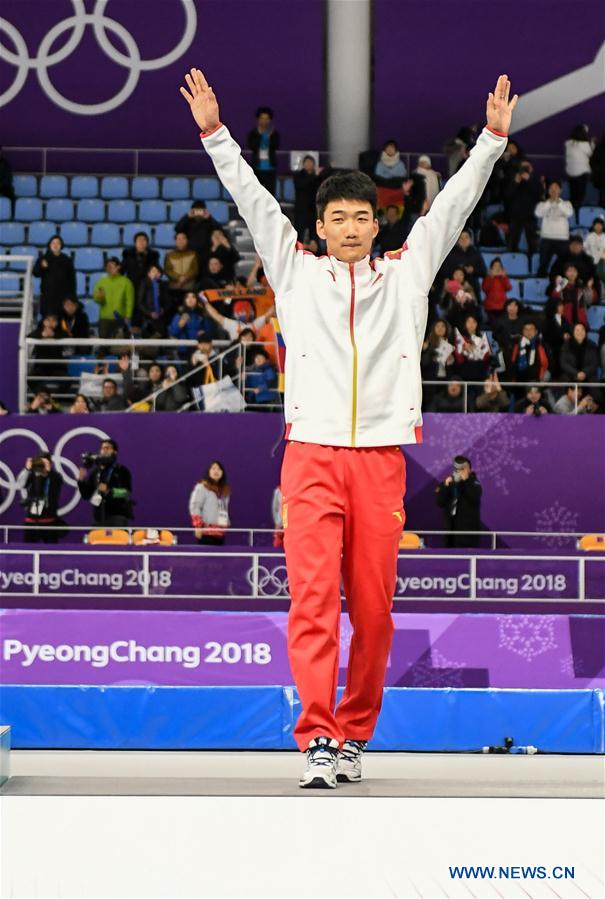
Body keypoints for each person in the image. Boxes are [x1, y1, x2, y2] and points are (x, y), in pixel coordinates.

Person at [181, 66, 517, 788]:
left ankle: (353, 735)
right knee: (310, 604)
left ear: (376, 222)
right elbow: (250, 199)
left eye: (362, 217)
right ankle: (315, 737)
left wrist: (490, 141)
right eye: (337, 217)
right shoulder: (294, 271)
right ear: (320, 226)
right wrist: (214, 132)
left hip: (380, 462)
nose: (351, 228)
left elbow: (452, 208)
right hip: (308, 456)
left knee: (372, 612)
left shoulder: (406, 272)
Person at [77, 438, 133, 526]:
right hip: (98, 517)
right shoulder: (96, 472)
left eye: (107, 448)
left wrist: (109, 491)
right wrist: (81, 481)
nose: (104, 450)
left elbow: (126, 493)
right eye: (102, 448)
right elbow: (86, 495)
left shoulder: (121, 470)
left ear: (115, 452)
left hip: (117, 517)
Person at [16, 452, 64, 543]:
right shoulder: (32, 474)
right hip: (31, 519)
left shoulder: (55, 476)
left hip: (49, 520)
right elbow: (20, 484)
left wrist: (49, 471)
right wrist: (27, 469)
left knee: (51, 552)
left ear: (50, 463)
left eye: (43, 462)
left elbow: (57, 484)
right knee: (29, 550)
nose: (41, 465)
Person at [435, 456, 482, 548]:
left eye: (463, 468)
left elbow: (474, 497)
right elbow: (440, 502)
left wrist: (465, 482)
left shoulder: (474, 483)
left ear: (469, 470)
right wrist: (445, 486)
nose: (460, 471)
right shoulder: (449, 482)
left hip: (467, 532)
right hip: (450, 531)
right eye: (458, 468)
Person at [535, 182, 574, 276]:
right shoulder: (542, 204)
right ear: (548, 190)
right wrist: (549, 202)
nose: (554, 190)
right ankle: (541, 282)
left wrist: (558, 202)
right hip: (546, 238)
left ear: (560, 190)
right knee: (543, 264)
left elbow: (569, 213)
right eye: (551, 188)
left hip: (562, 238)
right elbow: (538, 213)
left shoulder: (566, 203)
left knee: (564, 264)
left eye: (556, 188)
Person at [33, 235, 76, 318]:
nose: (55, 245)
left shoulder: (67, 260)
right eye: (53, 243)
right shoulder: (43, 258)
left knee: (62, 325)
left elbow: (72, 280)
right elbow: (35, 273)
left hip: (63, 298)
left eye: (58, 243)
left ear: (61, 245)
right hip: (47, 298)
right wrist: (42, 267)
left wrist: (72, 298)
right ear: (49, 244)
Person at [188, 460, 231, 544]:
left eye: (219, 469)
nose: (216, 471)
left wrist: (226, 523)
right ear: (209, 472)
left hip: (220, 533)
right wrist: (198, 527)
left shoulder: (225, 491)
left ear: (222, 473)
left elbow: (224, 509)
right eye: (213, 468)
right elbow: (195, 507)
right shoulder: (202, 487)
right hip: (206, 532)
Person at [92, 257, 135, 339]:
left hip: (121, 319)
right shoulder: (101, 282)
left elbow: (129, 301)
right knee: (104, 346)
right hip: (104, 319)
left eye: (112, 266)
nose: (109, 268)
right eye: (107, 266)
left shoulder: (126, 282)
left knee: (120, 346)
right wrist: (99, 297)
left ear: (118, 267)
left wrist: (128, 316)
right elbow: (96, 300)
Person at [505, 159, 541, 253]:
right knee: (513, 241)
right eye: (522, 167)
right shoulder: (513, 179)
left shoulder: (535, 180)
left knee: (532, 242)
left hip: (530, 215)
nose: (524, 170)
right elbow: (507, 196)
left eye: (526, 167)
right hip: (516, 215)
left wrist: (528, 180)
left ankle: (530, 261)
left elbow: (538, 194)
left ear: (531, 168)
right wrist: (516, 182)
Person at [175, 200, 223, 267]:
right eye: (196, 210)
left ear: (204, 211)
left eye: (200, 210)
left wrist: (209, 218)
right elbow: (177, 229)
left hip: (206, 255)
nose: (198, 213)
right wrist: (187, 217)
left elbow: (219, 231)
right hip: (190, 254)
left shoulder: (209, 222)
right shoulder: (188, 222)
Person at [440, 229, 486, 298]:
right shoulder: (451, 253)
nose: (463, 240)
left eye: (466, 237)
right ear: (457, 240)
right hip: (453, 288)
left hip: (471, 287)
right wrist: (456, 272)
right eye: (461, 238)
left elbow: (484, 272)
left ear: (471, 239)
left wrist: (473, 270)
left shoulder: (476, 253)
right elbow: (443, 271)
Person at [247, 106, 279, 197]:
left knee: (270, 194)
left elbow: (276, 146)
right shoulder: (253, 133)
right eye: (262, 118)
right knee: (256, 193)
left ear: (270, 120)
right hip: (257, 167)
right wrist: (260, 136)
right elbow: (251, 146)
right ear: (258, 119)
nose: (264, 121)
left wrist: (269, 138)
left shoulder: (274, 133)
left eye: (267, 119)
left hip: (270, 168)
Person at [137, 263, 172, 337]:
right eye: (153, 271)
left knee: (162, 337)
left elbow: (168, 301)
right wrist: (149, 313)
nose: (156, 273)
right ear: (148, 273)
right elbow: (140, 303)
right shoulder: (144, 283)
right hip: (147, 317)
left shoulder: (163, 285)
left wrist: (163, 309)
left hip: (161, 317)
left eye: (158, 272)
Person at [453, 315, 491, 381]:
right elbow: (459, 360)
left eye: (474, 322)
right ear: (465, 324)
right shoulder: (460, 339)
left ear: (477, 324)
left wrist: (476, 350)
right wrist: (463, 350)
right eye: (469, 322)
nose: (471, 324)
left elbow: (486, 357)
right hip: (465, 373)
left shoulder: (482, 338)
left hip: (480, 372)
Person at [565, 124, 593, 212]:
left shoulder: (568, 143)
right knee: (580, 197)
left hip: (570, 173)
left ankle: (571, 213)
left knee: (573, 195)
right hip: (582, 174)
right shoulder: (585, 145)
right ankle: (578, 214)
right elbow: (591, 154)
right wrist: (592, 144)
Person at [542, 297, 572, 378]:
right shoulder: (547, 321)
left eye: (562, 305)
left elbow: (569, 331)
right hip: (552, 351)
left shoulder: (564, 319)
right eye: (559, 305)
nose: (562, 307)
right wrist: (561, 336)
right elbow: (547, 337)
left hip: (564, 349)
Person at [164, 231, 199, 301]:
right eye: (179, 239)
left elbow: (195, 269)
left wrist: (184, 278)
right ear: (175, 241)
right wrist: (178, 278)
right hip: (174, 286)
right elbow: (167, 270)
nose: (181, 241)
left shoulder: (193, 254)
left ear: (187, 241)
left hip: (189, 286)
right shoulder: (169, 255)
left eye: (183, 238)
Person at [294, 155, 321, 243]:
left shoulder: (318, 177)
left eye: (310, 162)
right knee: (299, 234)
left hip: (313, 210)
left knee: (314, 235)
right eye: (306, 162)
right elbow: (302, 185)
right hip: (301, 209)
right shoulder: (298, 175)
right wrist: (315, 176)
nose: (308, 164)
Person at [482, 257, 512, 323]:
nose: (497, 268)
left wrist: (504, 277)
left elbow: (509, 288)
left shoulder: (504, 278)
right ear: (491, 268)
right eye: (495, 266)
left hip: (502, 306)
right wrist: (491, 277)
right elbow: (485, 289)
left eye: (499, 266)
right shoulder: (488, 278)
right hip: (490, 307)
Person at [0, 147, 16, 218]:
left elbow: (7, 180)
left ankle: (11, 216)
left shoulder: (5, 164)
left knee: (11, 198)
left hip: (3, 189)